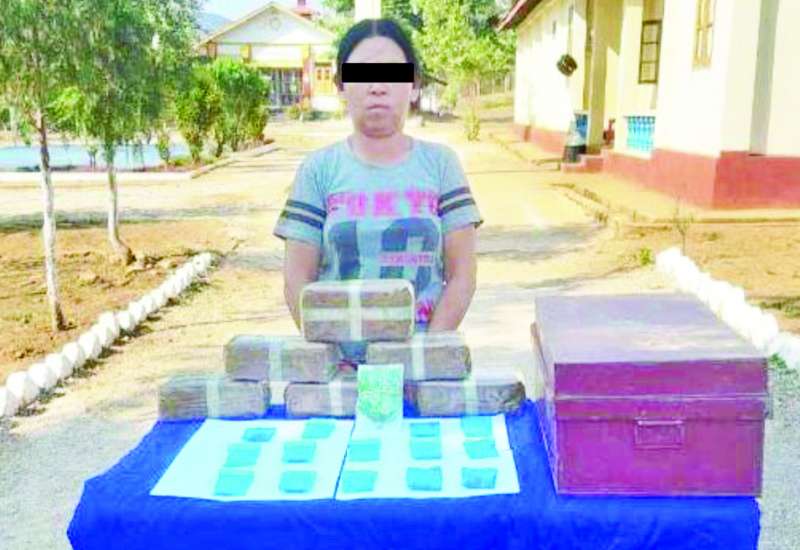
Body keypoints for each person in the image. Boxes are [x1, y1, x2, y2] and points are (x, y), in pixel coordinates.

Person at [273, 18, 482, 364]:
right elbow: (297, 279)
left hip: (421, 367)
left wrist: (424, 356)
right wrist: (334, 360)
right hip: (340, 370)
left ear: (414, 85)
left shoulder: (442, 165)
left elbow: (462, 276)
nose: (377, 86)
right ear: (341, 86)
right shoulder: (318, 171)